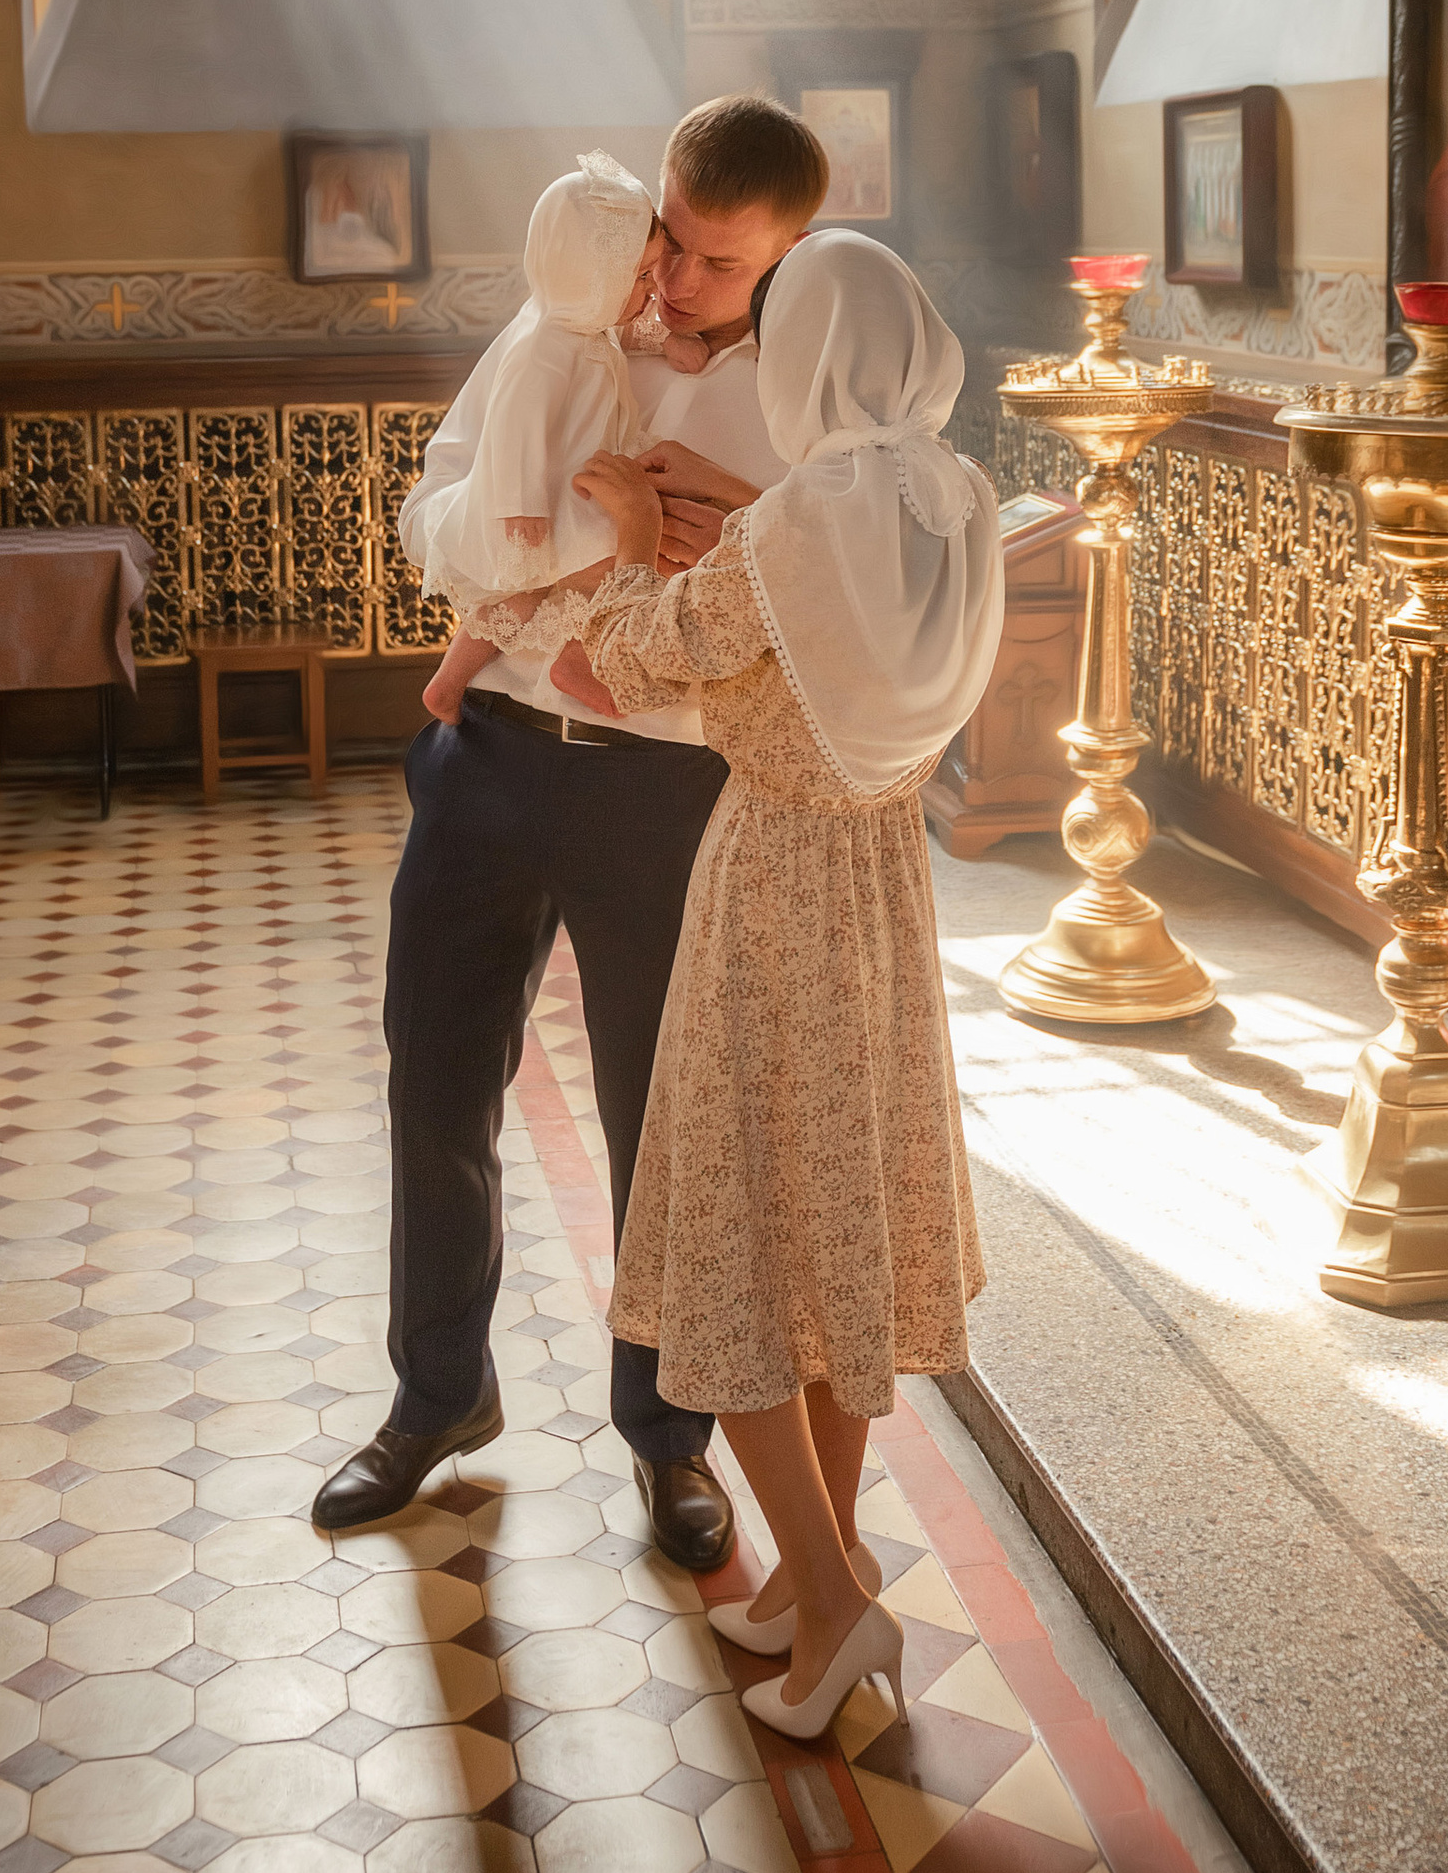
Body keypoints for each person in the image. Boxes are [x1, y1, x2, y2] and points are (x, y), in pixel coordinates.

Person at [311, 95, 831, 1570]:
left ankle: (670, 1438)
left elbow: (824, 589)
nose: (674, 286)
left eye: (720, 266)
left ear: (784, 258)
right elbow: (431, 525)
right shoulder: (558, 321)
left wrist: (714, 524)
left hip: (667, 782)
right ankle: (436, 1397)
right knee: (435, 1080)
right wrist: (556, 530)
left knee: (657, 1124)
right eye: (671, 240)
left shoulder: (803, 389)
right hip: (488, 755)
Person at [563, 231, 1003, 1735]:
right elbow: (847, 620)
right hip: (888, 880)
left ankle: (828, 1605)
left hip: (773, 886)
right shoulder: (954, 497)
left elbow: (621, 665)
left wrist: (631, 527)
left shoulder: (782, 532)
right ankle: (839, 1551)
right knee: (841, 1230)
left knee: (738, 1247)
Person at [417, 153, 703, 730]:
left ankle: (557, 665)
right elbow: (513, 426)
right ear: (591, 277)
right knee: (525, 594)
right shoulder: (542, 343)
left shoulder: (585, 323)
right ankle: (461, 682)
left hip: (582, 484)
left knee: (553, 589)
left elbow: (631, 330)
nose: (652, 290)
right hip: (549, 495)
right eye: (641, 276)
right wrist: (520, 503)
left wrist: (672, 342)